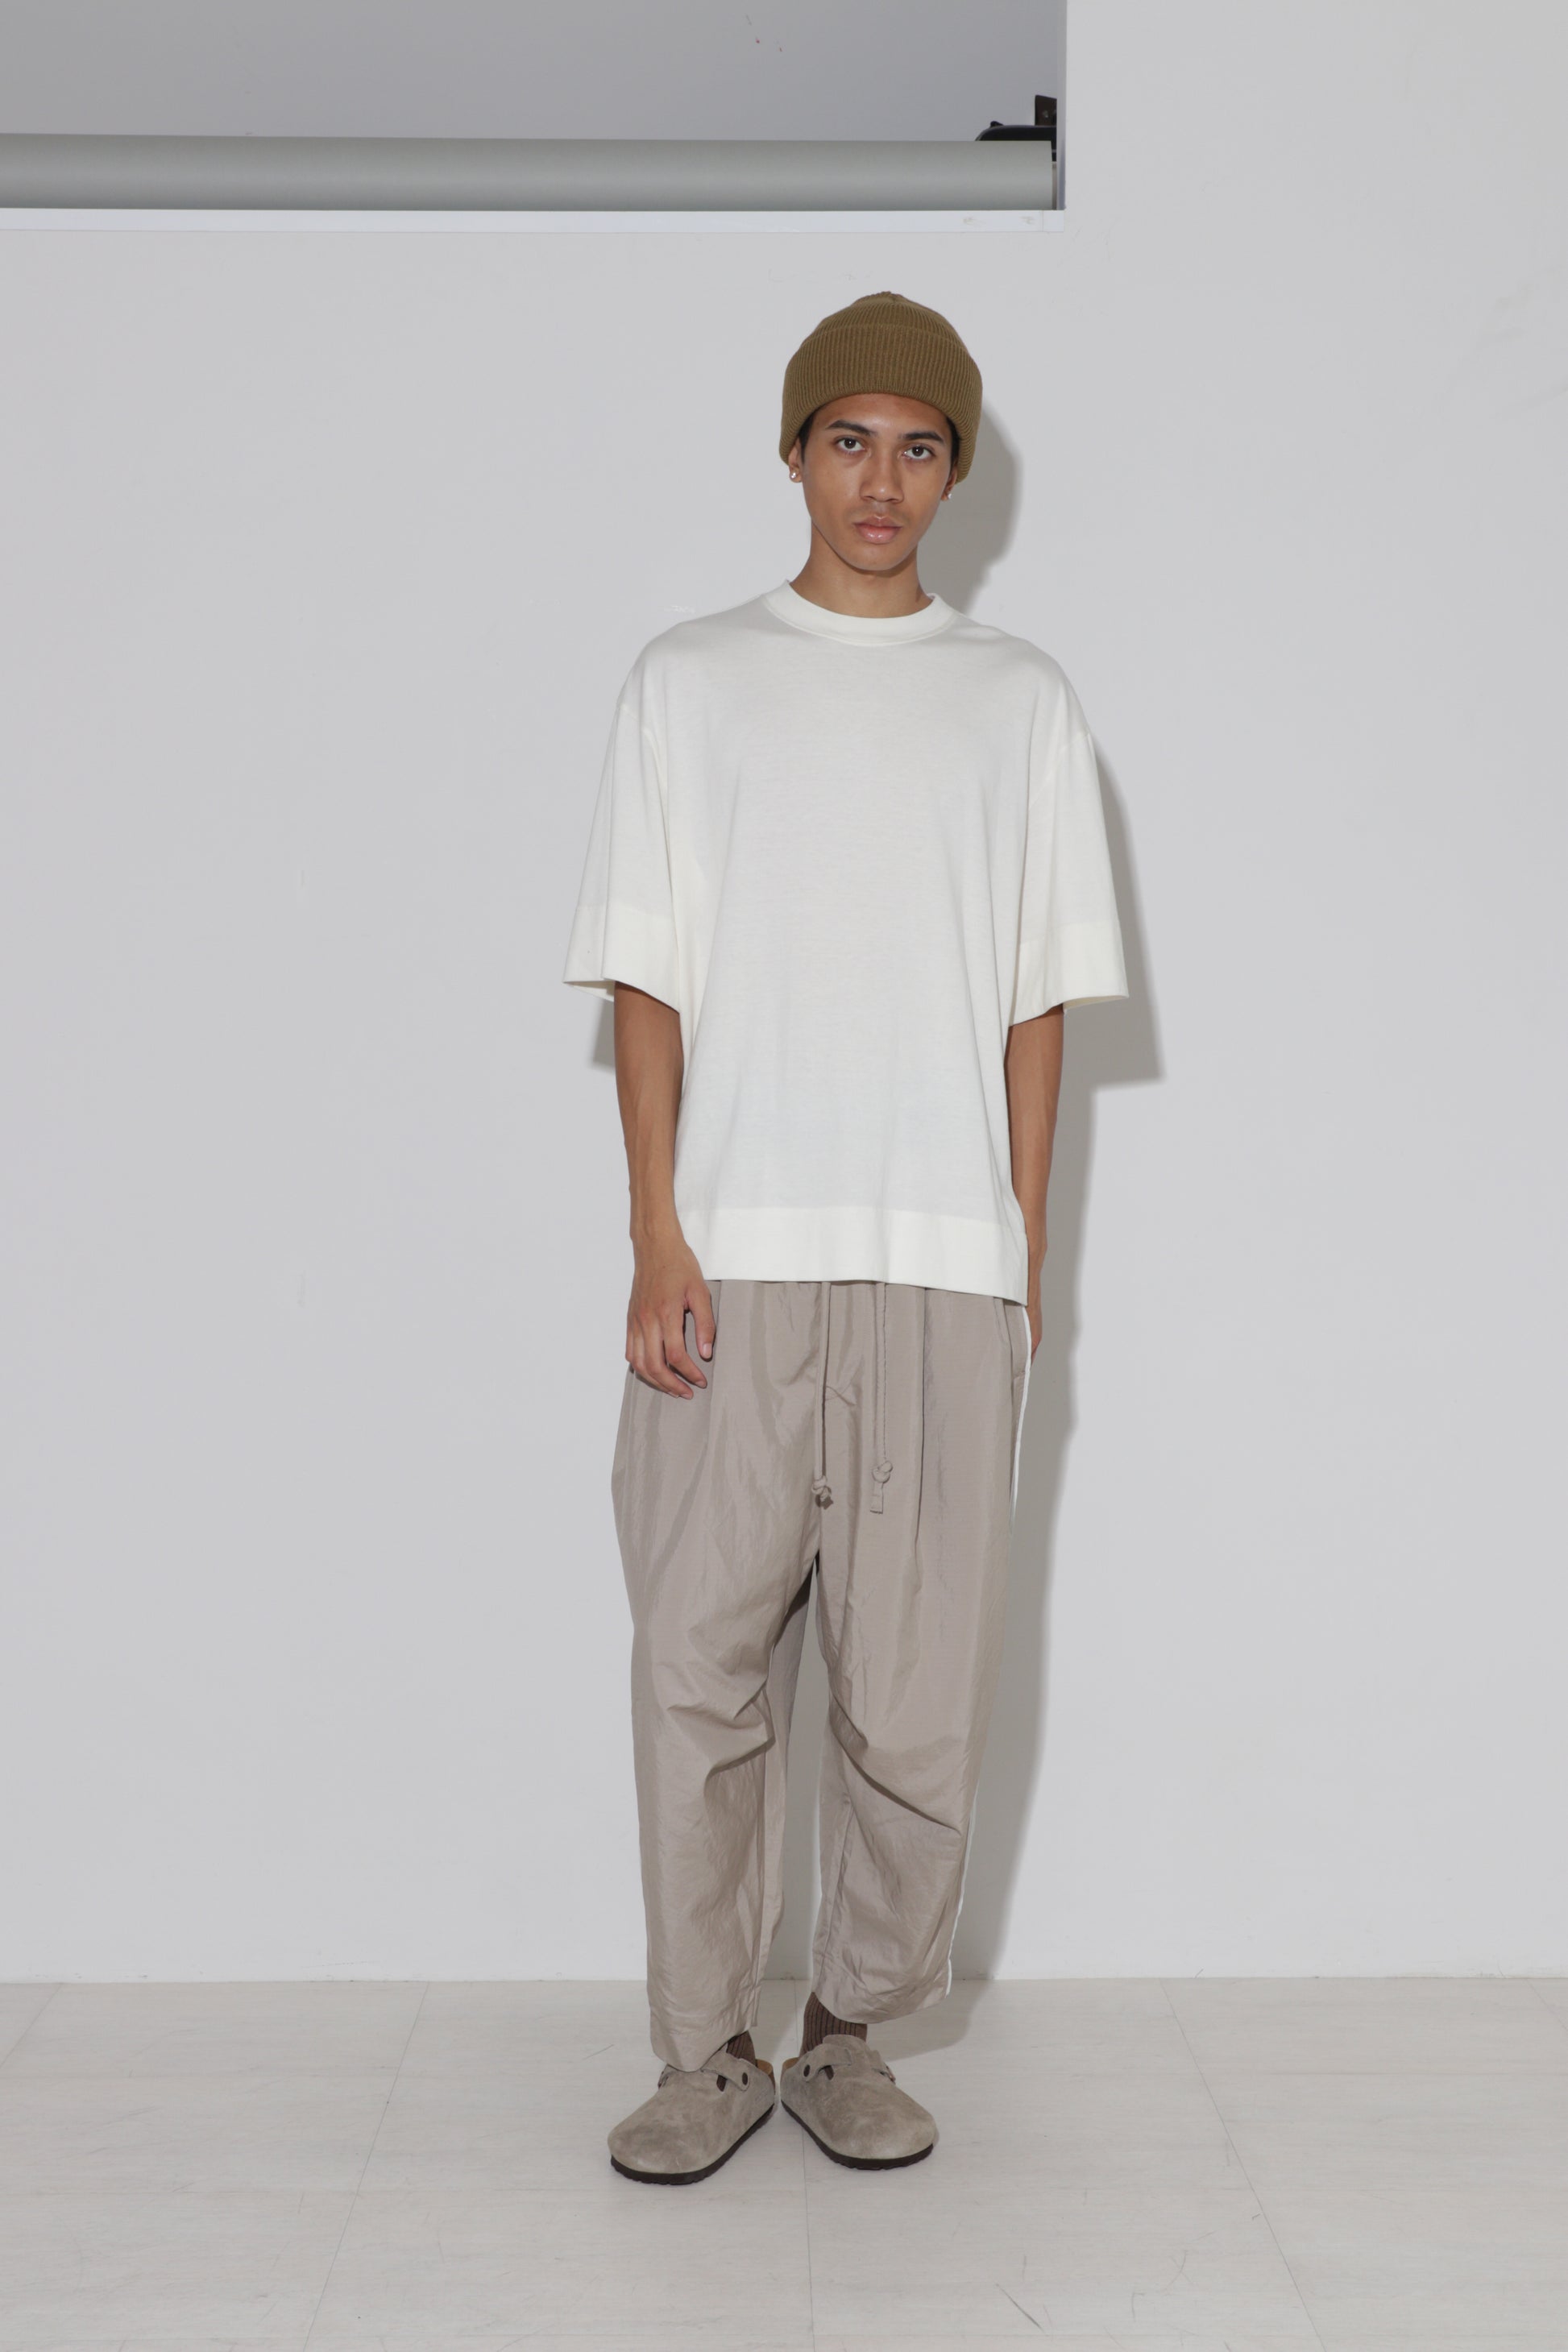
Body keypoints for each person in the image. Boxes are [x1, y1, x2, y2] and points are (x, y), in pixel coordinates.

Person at [562, 290, 1127, 2184]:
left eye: (918, 446)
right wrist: (655, 1231)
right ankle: (704, 2049)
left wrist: (1020, 1255)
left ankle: (849, 2033)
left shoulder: (1019, 701)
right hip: (733, 1248)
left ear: (956, 472)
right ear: (796, 453)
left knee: (917, 1690)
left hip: (943, 1262)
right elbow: (646, 981)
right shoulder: (690, 680)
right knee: (697, 1667)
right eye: (848, 439)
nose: (880, 481)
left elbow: (1036, 1005)